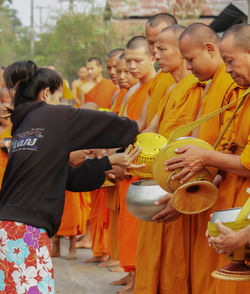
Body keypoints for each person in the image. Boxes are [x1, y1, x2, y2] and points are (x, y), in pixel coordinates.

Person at [0, 60, 140, 293]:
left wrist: (107, 162)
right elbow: (110, 125)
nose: (61, 103)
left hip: (9, 226)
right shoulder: (52, 115)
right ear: (46, 93)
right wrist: (138, 129)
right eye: (59, 97)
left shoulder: (24, 126)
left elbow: (69, 179)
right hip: (24, 231)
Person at [165, 24, 250, 293]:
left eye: (230, 61)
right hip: (228, 205)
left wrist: (204, 156)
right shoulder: (242, 97)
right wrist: (193, 190)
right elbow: (227, 150)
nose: (227, 69)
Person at [134, 25, 205, 294]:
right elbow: (148, 132)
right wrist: (123, 157)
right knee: (153, 256)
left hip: (181, 183)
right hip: (156, 180)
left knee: (177, 260)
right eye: (154, 48)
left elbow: (197, 143)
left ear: (183, 51)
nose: (156, 54)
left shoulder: (198, 89)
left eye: (162, 48)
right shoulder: (170, 90)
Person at [110, 35, 156, 294]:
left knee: (141, 227)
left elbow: (145, 129)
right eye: (128, 62)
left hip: (147, 162)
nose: (131, 68)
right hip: (131, 162)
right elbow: (125, 128)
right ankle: (133, 276)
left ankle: (140, 279)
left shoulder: (158, 87)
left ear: (152, 58)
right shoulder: (132, 93)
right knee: (130, 225)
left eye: (137, 61)